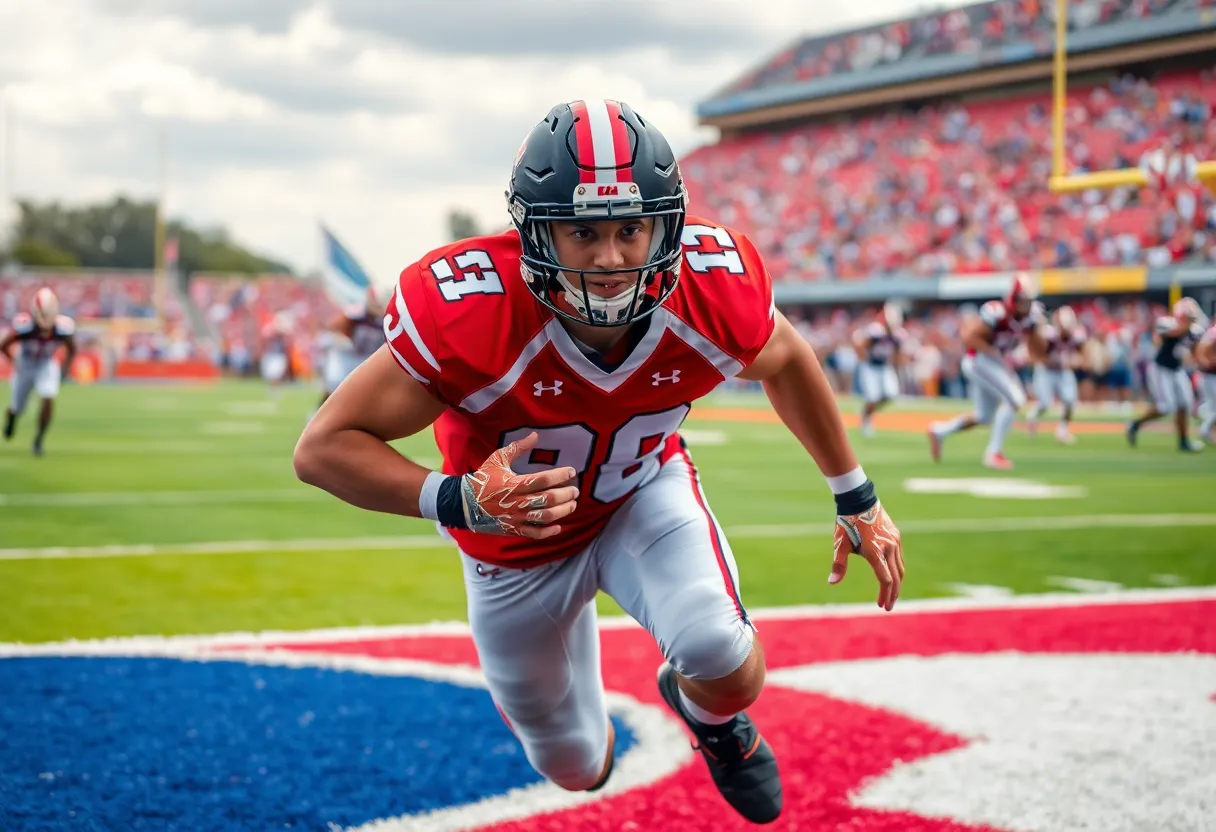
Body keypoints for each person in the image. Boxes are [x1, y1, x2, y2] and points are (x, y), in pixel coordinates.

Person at [294, 99, 905, 825]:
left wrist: (854, 494)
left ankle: (707, 720)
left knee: (724, 657)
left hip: (639, 494)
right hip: (511, 550)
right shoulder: (472, 309)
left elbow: (786, 355)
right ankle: (589, 733)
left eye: (630, 229)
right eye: (583, 232)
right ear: (537, 230)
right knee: (577, 767)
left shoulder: (710, 291)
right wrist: (458, 499)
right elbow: (323, 448)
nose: (612, 257)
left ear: (665, 226)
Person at [928, 275, 1044, 469]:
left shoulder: (1032, 317)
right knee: (1015, 399)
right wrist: (998, 354)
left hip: (995, 363)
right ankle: (994, 453)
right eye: (1022, 299)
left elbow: (1037, 350)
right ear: (1013, 297)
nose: (1025, 305)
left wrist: (1037, 331)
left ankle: (939, 431)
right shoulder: (997, 312)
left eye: (1028, 300)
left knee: (984, 417)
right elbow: (969, 338)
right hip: (979, 361)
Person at [1, 287, 77, 456]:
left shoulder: (63, 328)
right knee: (18, 407)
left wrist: (65, 369)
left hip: (46, 363)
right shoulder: (25, 326)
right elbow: (4, 345)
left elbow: (71, 349)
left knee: (48, 396)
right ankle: (12, 418)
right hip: (25, 363)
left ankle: (38, 440)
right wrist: (14, 361)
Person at [1126, 297, 1205, 452]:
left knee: (1185, 404)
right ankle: (1135, 424)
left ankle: (1183, 441)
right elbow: (1168, 335)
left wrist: (1199, 363)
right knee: (1165, 407)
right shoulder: (1167, 323)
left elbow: (1194, 350)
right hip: (1160, 369)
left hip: (1177, 369)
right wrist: (1187, 324)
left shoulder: (1195, 330)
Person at [1026, 304, 1086, 445]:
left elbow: (1083, 352)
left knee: (1070, 400)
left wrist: (1079, 361)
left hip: (1063, 370)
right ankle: (1033, 415)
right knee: (1046, 404)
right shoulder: (1049, 334)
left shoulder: (1077, 334)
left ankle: (1062, 430)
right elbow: (1037, 352)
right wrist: (1046, 360)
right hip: (1046, 371)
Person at [318, 289, 386, 409]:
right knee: (334, 386)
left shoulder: (385, 319)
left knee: (368, 391)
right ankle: (318, 412)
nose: (377, 307)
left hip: (366, 358)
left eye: (378, 304)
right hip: (346, 356)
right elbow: (333, 329)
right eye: (374, 304)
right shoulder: (355, 315)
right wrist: (343, 340)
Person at [855, 301, 906, 437]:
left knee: (891, 394)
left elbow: (897, 354)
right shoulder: (875, 331)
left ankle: (868, 412)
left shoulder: (897, 335)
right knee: (872, 397)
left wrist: (896, 369)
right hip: (871, 366)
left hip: (884, 367)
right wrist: (863, 361)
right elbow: (861, 345)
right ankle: (866, 419)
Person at [1195, 321, 1216, 442]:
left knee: (1212, 406)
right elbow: (1202, 350)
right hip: (1209, 375)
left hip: (1208, 375)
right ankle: (1204, 427)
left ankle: (1201, 412)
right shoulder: (1212, 333)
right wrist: (1206, 362)